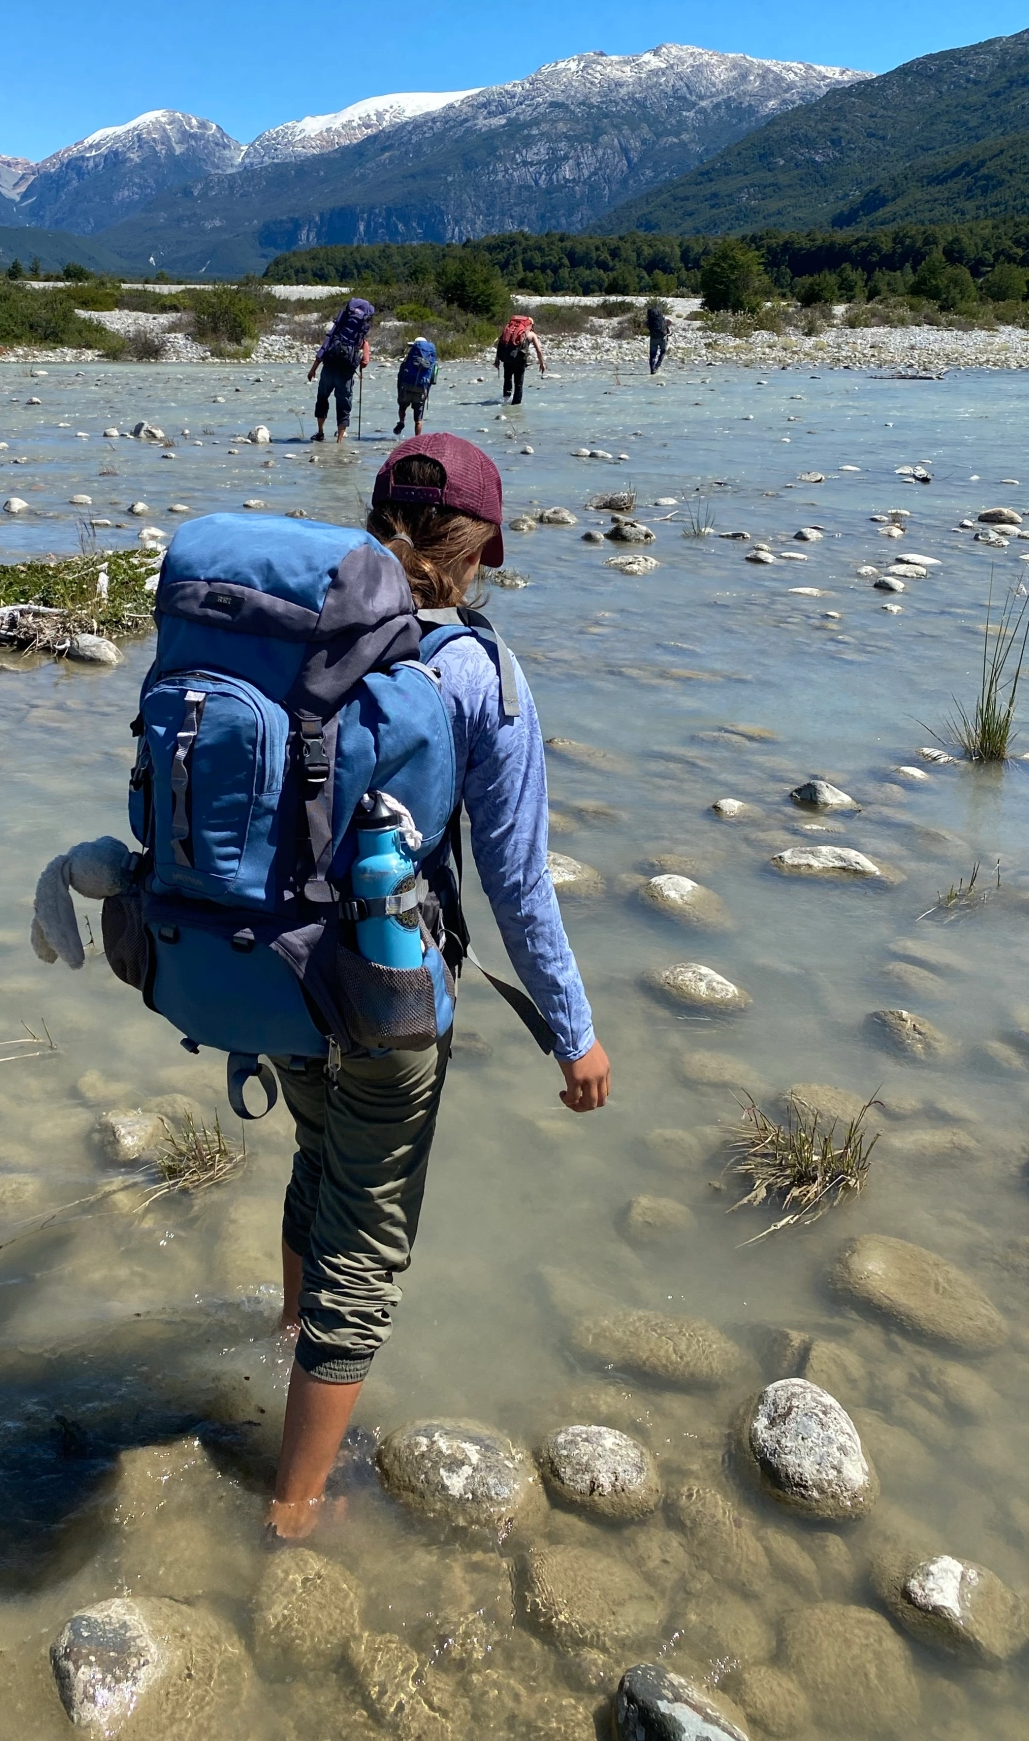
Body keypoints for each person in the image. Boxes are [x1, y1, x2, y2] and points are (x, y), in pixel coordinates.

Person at [267, 431, 611, 1540]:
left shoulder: (307, 633)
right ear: (488, 551)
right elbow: (516, 882)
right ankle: (291, 1508)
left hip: (278, 972)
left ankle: (284, 1340)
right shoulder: (481, 674)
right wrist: (576, 1033)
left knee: (318, 1156)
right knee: (367, 1237)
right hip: (387, 995)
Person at [306, 296, 375, 441]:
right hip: (346, 372)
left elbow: (324, 347)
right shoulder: (361, 334)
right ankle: (340, 440)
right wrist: (362, 362)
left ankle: (320, 432)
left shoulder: (339, 328)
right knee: (344, 405)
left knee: (322, 399)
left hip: (329, 368)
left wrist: (313, 369)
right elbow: (365, 359)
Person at [493, 314, 545, 404]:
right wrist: (542, 363)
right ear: (531, 325)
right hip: (520, 361)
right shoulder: (531, 334)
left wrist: (497, 360)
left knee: (507, 379)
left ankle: (505, 401)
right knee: (518, 384)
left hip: (507, 358)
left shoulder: (509, 331)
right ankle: (516, 405)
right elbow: (539, 350)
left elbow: (500, 345)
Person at [392, 335, 438, 436]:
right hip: (421, 389)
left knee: (402, 407)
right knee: (418, 419)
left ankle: (401, 421)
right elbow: (433, 379)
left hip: (407, 387)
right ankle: (417, 439)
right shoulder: (431, 360)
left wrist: (399, 390)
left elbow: (400, 376)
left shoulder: (410, 359)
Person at [646, 300, 672, 375]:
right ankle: (657, 366)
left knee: (652, 355)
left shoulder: (650, 318)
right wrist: (666, 327)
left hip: (653, 337)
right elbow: (671, 321)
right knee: (663, 351)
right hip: (662, 337)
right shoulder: (663, 317)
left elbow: (645, 323)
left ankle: (652, 370)